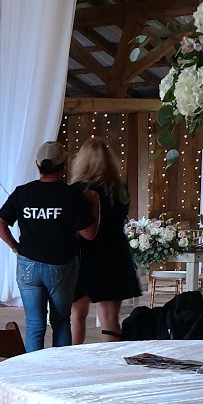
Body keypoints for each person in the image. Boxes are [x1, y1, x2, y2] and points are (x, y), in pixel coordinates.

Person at [0, 140, 99, 352]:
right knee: (61, 322)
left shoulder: (23, 192)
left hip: (27, 265)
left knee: (34, 325)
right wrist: (95, 205)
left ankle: (33, 370)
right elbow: (89, 234)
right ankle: (59, 369)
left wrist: (15, 247)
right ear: (63, 165)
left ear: (38, 164)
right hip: (60, 265)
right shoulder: (71, 195)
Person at [69, 136, 142, 345]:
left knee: (77, 315)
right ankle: (112, 357)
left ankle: (73, 356)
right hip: (114, 253)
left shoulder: (77, 190)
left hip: (84, 254)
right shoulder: (119, 189)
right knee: (110, 319)